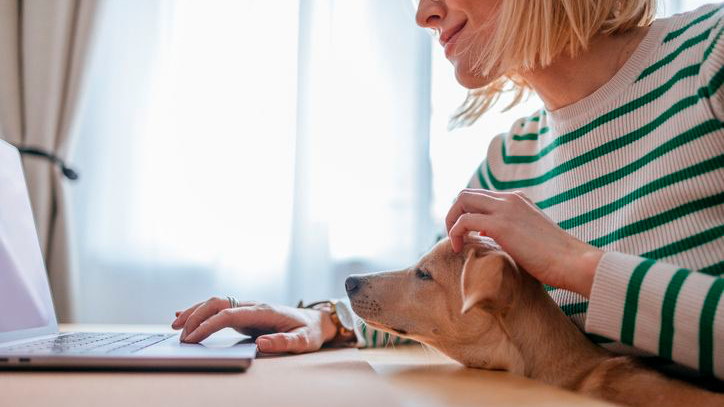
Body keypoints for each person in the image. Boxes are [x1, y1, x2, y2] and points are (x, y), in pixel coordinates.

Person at [172, 0, 724, 380]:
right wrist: (332, 320)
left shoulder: (712, 58)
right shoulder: (511, 161)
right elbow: (441, 308)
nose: (422, 13)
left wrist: (576, 264)